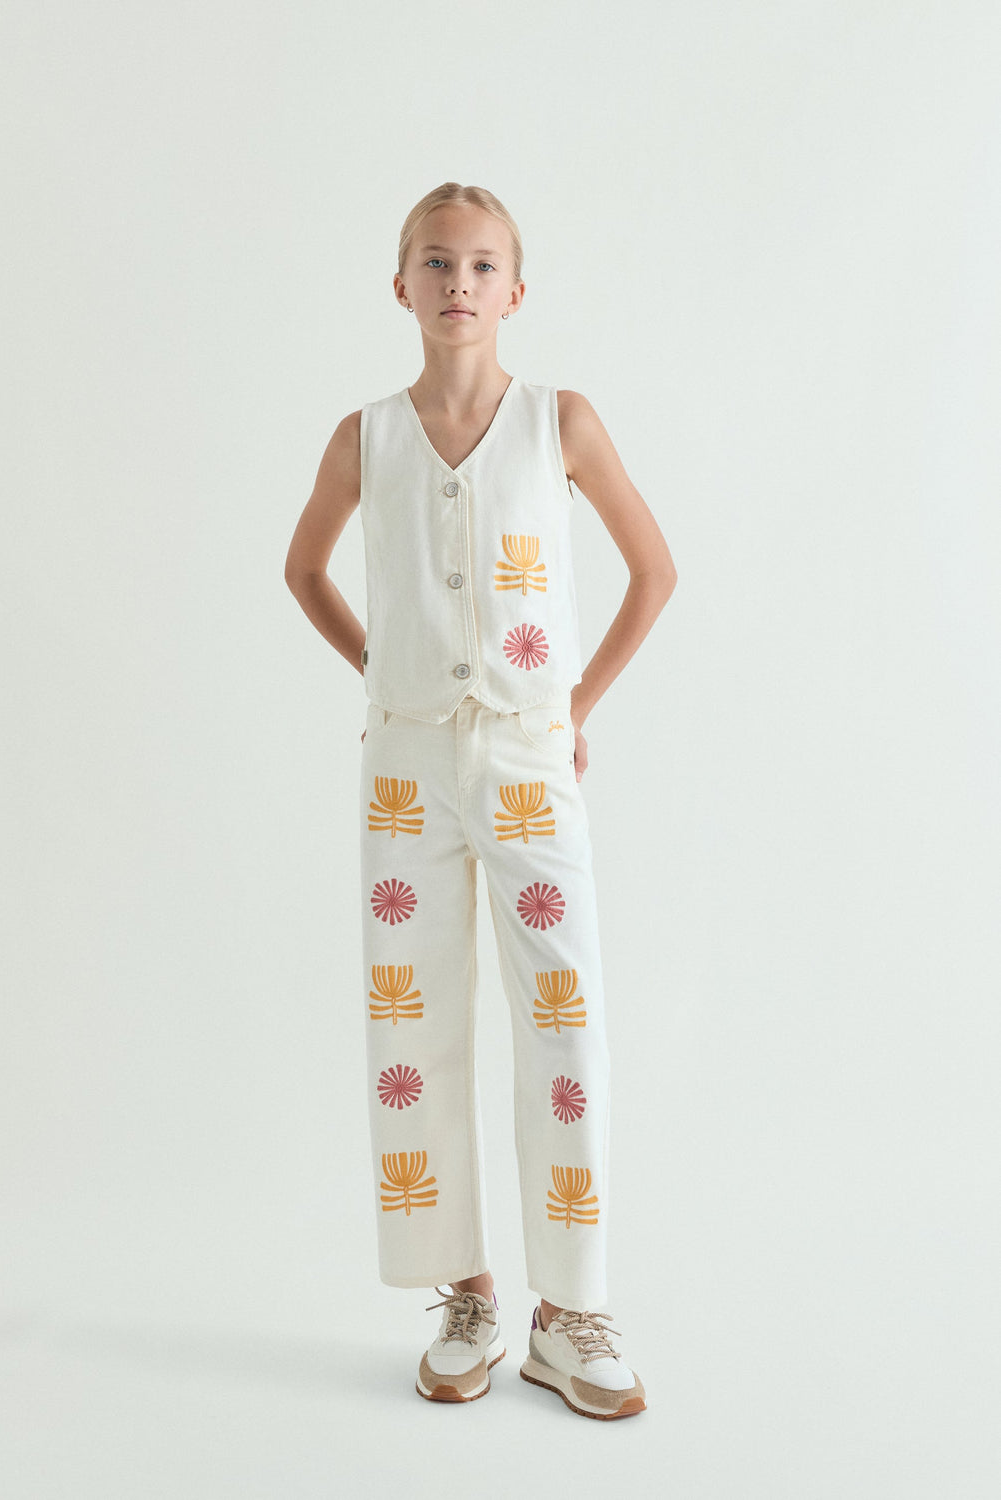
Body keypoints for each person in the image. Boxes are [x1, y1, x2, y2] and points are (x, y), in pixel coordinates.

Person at [284, 182, 677, 1420]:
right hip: (405, 771)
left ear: (516, 289)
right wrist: (384, 670)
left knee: (564, 1017)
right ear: (399, 283)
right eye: (436, 261)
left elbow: (653, 571)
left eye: (482, 264)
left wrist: (572, 707)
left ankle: (571, 1311)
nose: (459, 283)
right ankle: (465, 1292)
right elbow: (303, 568)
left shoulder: (561, 423)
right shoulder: (364, 437)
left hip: (525, 759)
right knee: (415, 1019)